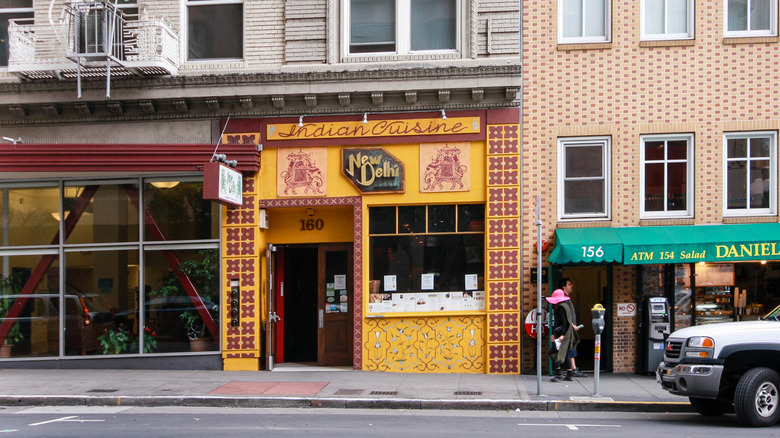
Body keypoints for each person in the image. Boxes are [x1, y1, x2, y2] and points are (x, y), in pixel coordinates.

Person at [546, 278, 587, 381]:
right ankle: (569, 373)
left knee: (553, 353)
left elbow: (564, 323)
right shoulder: (565, 306)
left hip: (563, 334)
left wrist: (561, 335)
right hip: (566, 333)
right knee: (567, 352)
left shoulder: (560, 308)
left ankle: (559, 373)